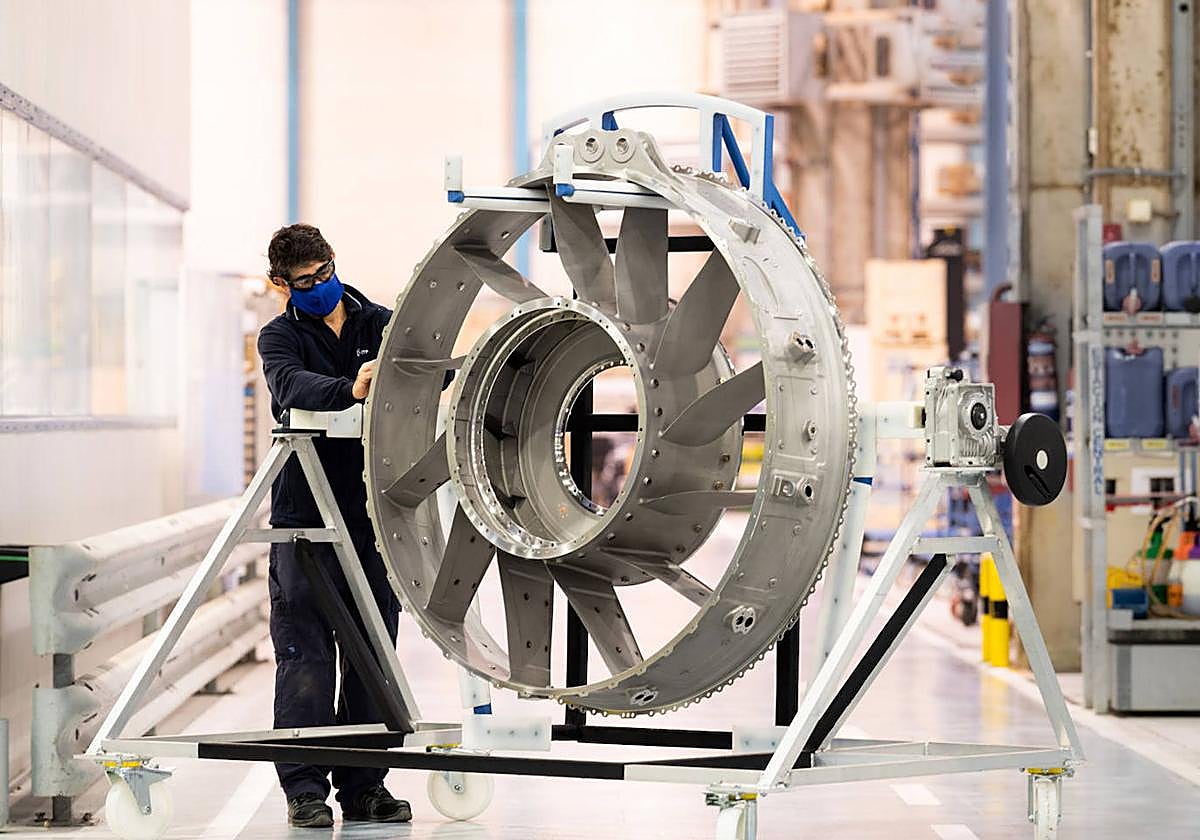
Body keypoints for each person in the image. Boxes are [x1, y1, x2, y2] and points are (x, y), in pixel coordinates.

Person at [258, 223, 411, 828]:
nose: (319, 286)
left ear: (333, 261)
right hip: (306, 518)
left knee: (372, 649)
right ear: (281, 284)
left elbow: (423, 375)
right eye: (304, 282)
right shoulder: (279, 338)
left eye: (324, 273)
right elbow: (289, 385)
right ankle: (304, 790)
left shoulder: (383, 324)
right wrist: (351, 387)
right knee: (306, 654)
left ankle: (365, 785)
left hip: (372, 516)